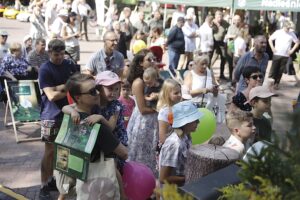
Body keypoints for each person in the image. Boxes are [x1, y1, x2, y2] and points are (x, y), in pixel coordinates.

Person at [62, 73, 128, 200]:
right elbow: (124, 153)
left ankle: (64, 193)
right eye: (93, 91)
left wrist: (101, 118)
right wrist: (73, 111)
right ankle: (123, 196)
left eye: (96, 90)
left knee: (113, 166)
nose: (97, 93)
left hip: (115, 137)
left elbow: (111, 127)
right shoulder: (94, 123)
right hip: (97, 175)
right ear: (78, 97)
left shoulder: (114, 106)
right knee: (111, 167)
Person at [38, 39, 77, 199]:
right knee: (50, 151)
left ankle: (58, 179)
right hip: (51, 116)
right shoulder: (45, 69)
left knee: (65, 151)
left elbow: (78, 85)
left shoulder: (69, 65)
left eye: (62, 54)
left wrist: (60, 87)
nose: (60, 57)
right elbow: (52, 96)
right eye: (56, 54)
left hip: (69, 114)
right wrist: (66, 88)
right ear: (49, 53)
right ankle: (44, 184)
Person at [126, 49, 159, 176]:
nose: (153, 62)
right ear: (140, 63)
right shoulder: (139, 82)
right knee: (140, 152)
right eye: (149, 60)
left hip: (153, 121)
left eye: (154, 59)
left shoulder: (154, 78)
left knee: (151, 152)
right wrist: (160, 109)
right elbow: (143, 110)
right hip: (143, 123)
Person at [159, 101, 203, 186]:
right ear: (184, 123)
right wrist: (191, 177)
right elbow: (163, 178)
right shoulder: (175, 144)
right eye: (195, 120)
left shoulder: (186, 135)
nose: (198, 122)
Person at [268, 21, 299, 90]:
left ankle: (276, 84)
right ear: (283, 27)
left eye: (289, 28)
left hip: (285, 55)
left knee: (280, 70)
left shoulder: (291, 34)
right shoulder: (278, 32)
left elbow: (297, 42)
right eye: (287, 28)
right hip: (277, 54)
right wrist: (272, 48)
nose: (288, 29)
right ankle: (270, 84)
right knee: (273, 70)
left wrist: (292, 50)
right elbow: (270, 39)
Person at [157, 79, 182, 144]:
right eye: (176, 93)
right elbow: (162, 137)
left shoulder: (179, 107)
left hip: (180, 143)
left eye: (180, 92)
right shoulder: (164, 112)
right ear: (167, 94)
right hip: (170, 146)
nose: (179, 95)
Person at [211, 10, 229, 80]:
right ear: (215, 16)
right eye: (218, 17)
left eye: (221, 17)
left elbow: (229, 27)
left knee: (223, 57)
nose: (219, 19)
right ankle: (208, 71)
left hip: (221, 42)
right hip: (213, 42)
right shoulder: (212, 22)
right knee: (213, 57)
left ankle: (221, 74)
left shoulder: (224, 23)